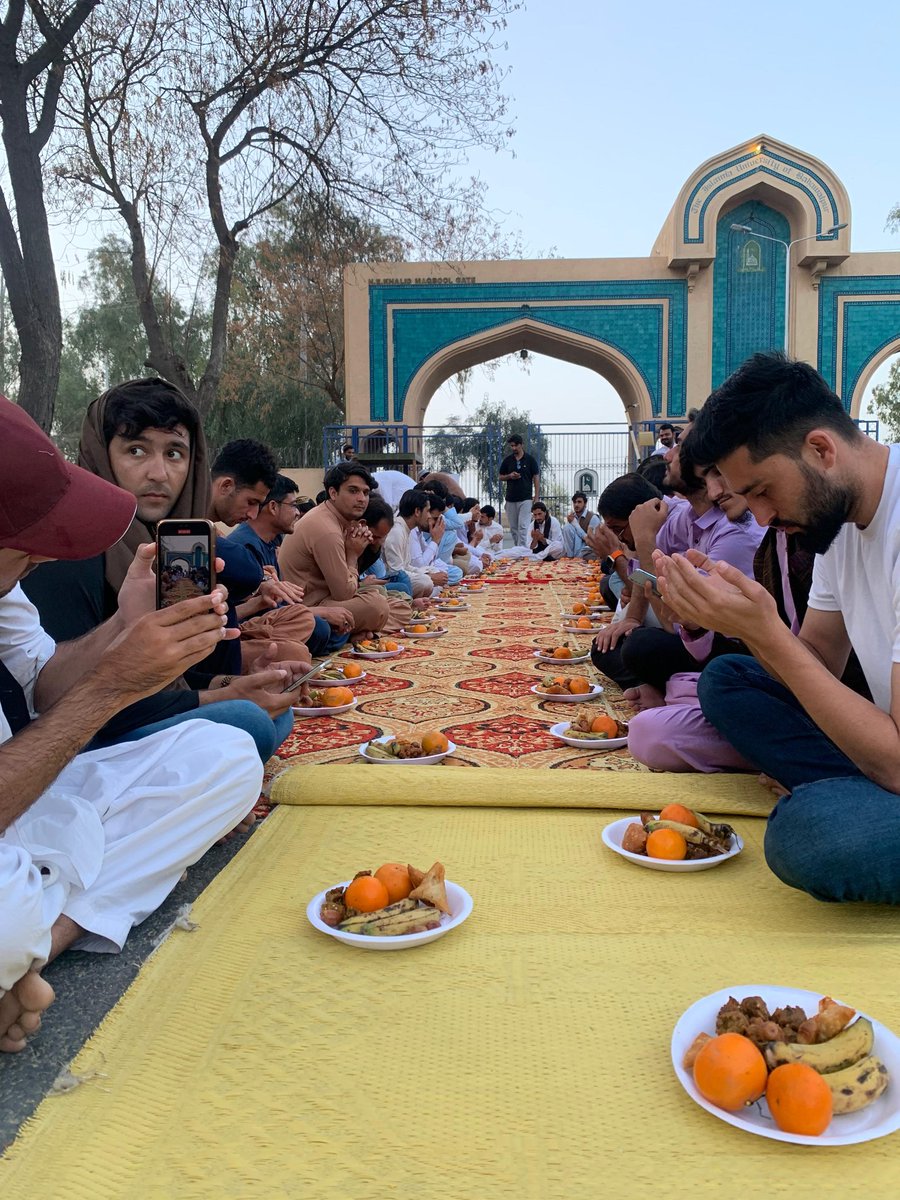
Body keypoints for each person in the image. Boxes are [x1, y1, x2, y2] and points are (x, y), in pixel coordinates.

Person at [0, 396, 263, 1052]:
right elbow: (85, 710)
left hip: (30, 785)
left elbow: (43, 683)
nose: (40, 558)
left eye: (175, 454)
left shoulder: (5, 585)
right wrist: (116, 685)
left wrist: (126, 624)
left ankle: (40, 946)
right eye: (25, 545)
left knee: (229, 755)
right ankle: (26, 944)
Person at [654, 351, 900, 904]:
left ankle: (842, 797)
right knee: (728, 679)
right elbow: (815, 661)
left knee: (806, 835)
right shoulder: (842, 523)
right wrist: (736, 621)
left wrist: (765, 631)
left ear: (820, 450)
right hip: (889, 743)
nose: (761, 518)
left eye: (763, 490)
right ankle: (848, 791)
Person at [22, 380, 298, 761]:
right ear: (102, 454)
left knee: (273, 710)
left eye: (174, 453)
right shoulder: (72, 548)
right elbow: (60, 704)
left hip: (144, 713)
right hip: (71, 740)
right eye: (136, 450)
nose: (158, 473)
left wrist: (234, 680)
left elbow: (166, 681)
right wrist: (220, 696)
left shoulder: (171, 543)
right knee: (245, 720)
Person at [591, 436, 763, 693]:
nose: (668, 455)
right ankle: (670, 687)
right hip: (695, 632)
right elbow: (643, 579)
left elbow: (678, 622)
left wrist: (628, 549)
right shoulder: (681, 515)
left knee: (640, 646)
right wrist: (633, 617)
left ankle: (674, 691)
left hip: (728, 643)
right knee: (607, 646)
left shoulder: (736, 529)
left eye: (680, 448)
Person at [224, 473, 352, 658]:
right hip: (249, 627)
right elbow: (261, 613)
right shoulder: (244, 545)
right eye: (293, 505)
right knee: (319, 628)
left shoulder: (271, 541)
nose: (297, 512)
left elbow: (280, 603)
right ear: (273, 507)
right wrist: (322, 612)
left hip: (284, 616)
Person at [279, 461, 410, 634]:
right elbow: (344, 594)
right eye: (353, 491)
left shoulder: (338, 521)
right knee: (377, 606)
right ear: (333, 493)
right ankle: (357, 631)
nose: (362, 498)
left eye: (365, 492)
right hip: (312, 606)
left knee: (398, 605)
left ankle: (360, 630)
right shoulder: (327, 529)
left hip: (329, 598)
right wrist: (353, 554)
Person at [382, 490, 442, 597]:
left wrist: (428, 574)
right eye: (427, 511)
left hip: (403, 575)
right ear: (417, 511)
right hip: (391, 580)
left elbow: (407, 566)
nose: (429, 516)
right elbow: (396, 572)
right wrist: (429, 577)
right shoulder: (397, 531)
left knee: (433, 572)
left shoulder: (406, 529)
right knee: (426, 582)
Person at [358, 495, 413, 596]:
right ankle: (407, 606)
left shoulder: (373, 546)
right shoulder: (353, 541)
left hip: (363, 581)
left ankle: (408, 605)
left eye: (382, 537)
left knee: (402, 576)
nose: (378, 542)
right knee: (401, 588)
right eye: (375, 537)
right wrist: (362, 584)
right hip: (354, 586)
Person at [499, 434, 539, 547]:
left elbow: (536, 477)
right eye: (511, 446)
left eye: (515, 446)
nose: (513, 448)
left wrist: (536, 497)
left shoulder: (530, 460)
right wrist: (509, 476)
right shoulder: (507, 461)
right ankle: (518, 549)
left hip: (525, 499)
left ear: (521, 445)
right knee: (514, 528)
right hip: (511, 499)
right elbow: (500, 476)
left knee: (523, 527)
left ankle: (523, 551)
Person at [561, 491, 601, 559]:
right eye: (574, 502)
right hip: (574, 550)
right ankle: (570, 557)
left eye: (579, 502)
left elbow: (594, 541)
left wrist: (576, 525)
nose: (576, 505)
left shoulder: (593, 518)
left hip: (588, 549)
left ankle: (575, 558)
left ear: (585, 504)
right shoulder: (572, 517)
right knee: (567, 527)